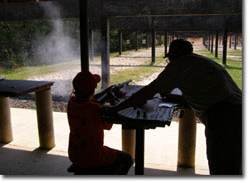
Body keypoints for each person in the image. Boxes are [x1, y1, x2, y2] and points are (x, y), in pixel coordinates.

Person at [103, 39, 242, 175]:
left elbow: (149, 90)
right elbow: (204, 91)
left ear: (173, 56)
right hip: (237, 111)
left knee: (222, 170)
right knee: (233, 167)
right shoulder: (202, 61)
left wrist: (116, 108)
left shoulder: (179, 64)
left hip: (225, 118)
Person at [67, 70, 133, 175]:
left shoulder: (71, 103)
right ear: (92, 90)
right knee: (127, 159)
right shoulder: (95, 109)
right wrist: (112, 101)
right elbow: (108, 124)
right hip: (93, 156)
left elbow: (87, 102)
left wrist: (105, 92)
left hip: (75, 153)